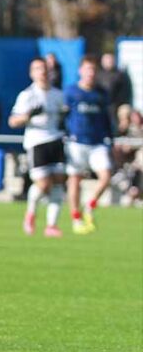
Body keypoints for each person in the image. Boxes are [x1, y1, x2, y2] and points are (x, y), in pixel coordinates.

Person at [9, 57, 66, 237]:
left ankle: (51, 225)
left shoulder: (57, 94)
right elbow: (12, 121)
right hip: (37, 142)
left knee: (58, 182)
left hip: (56, 140)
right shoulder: (27, 95)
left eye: (44, 68)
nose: (42, 72)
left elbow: (63, 115)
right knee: (43, 184)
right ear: (32, 73)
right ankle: (31, 213)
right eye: (37, 69)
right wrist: (28, 116)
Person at [63, 56, 114, 234]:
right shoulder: (71, 92)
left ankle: (90, 206)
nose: (90, 73)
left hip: (97, 142)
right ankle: (76, 218)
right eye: (87, 69)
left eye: (93, 69)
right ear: (80, 71)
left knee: (106, 176)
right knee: (75, 179)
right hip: (76, 142)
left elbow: (106, 118)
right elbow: (64, 115)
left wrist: (110, 138)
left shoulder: (101, 93)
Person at [95, 52, 134, 129]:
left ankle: (121, 132)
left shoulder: (120, 75)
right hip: (101, 103)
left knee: (124, 111)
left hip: (117, 104)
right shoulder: (98, 75)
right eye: (106, 59)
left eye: (110, 59)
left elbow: (125, 92)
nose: (109, 61)